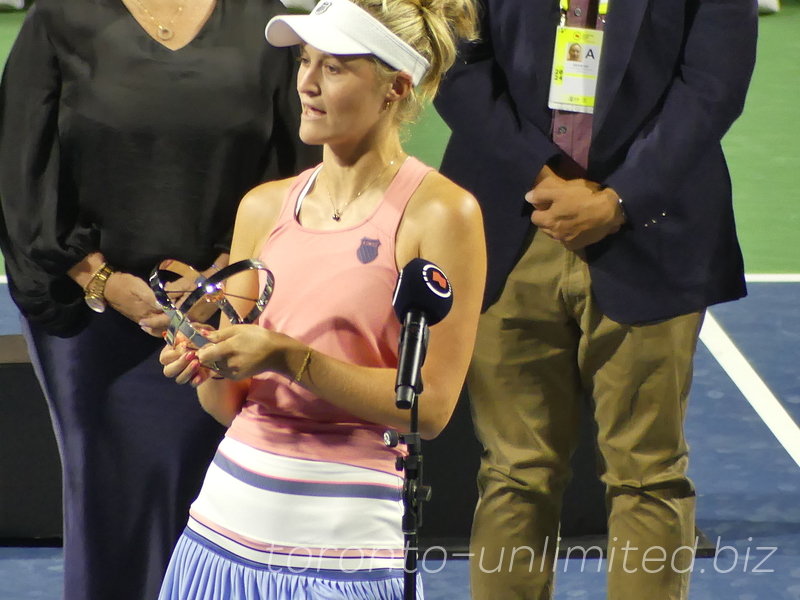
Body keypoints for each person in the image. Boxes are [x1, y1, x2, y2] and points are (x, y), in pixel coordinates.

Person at [157, 0, 484, 597]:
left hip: (347, 555)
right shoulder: (261, 206)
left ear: (395, 87)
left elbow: (430, 409)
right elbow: (227, 405)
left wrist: (287, 356)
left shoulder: (443, 215)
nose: (305, 82)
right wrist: (204, 357)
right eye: (306, 61)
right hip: (219, 536)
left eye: (334, 68)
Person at [434, 0, 758, 598]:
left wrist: (620, 199)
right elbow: (453, 61)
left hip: (648, 226)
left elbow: (714, 82)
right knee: (513, 473)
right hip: (513, 220)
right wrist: (539, 175)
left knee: (648, 475)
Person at [0, 2, 319, 599]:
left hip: (227, 320)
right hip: (88, 322)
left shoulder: (267, 24)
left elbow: (296, 171)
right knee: (108, 500)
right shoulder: (59, 18)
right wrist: (101, 280)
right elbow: (20, 173)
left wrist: (225, 280)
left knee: (209, 508)